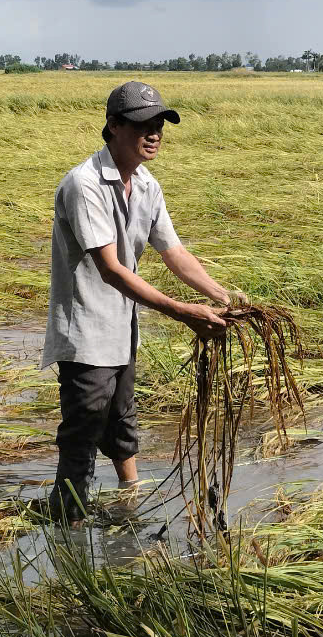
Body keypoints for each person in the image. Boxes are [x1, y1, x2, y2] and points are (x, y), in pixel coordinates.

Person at [41, 80, 234, 521]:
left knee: (122, 418)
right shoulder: (85, 184)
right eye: (143, 124)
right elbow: (110, 269)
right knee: (84, 426)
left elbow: (174, 252)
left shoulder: (146, 184)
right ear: (113, 125)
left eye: (160, 124)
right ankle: (67, 522)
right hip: (85, 329)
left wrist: (222, 295)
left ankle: (130, 503)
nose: (154, 134)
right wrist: (182, 311)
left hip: (123, 325)